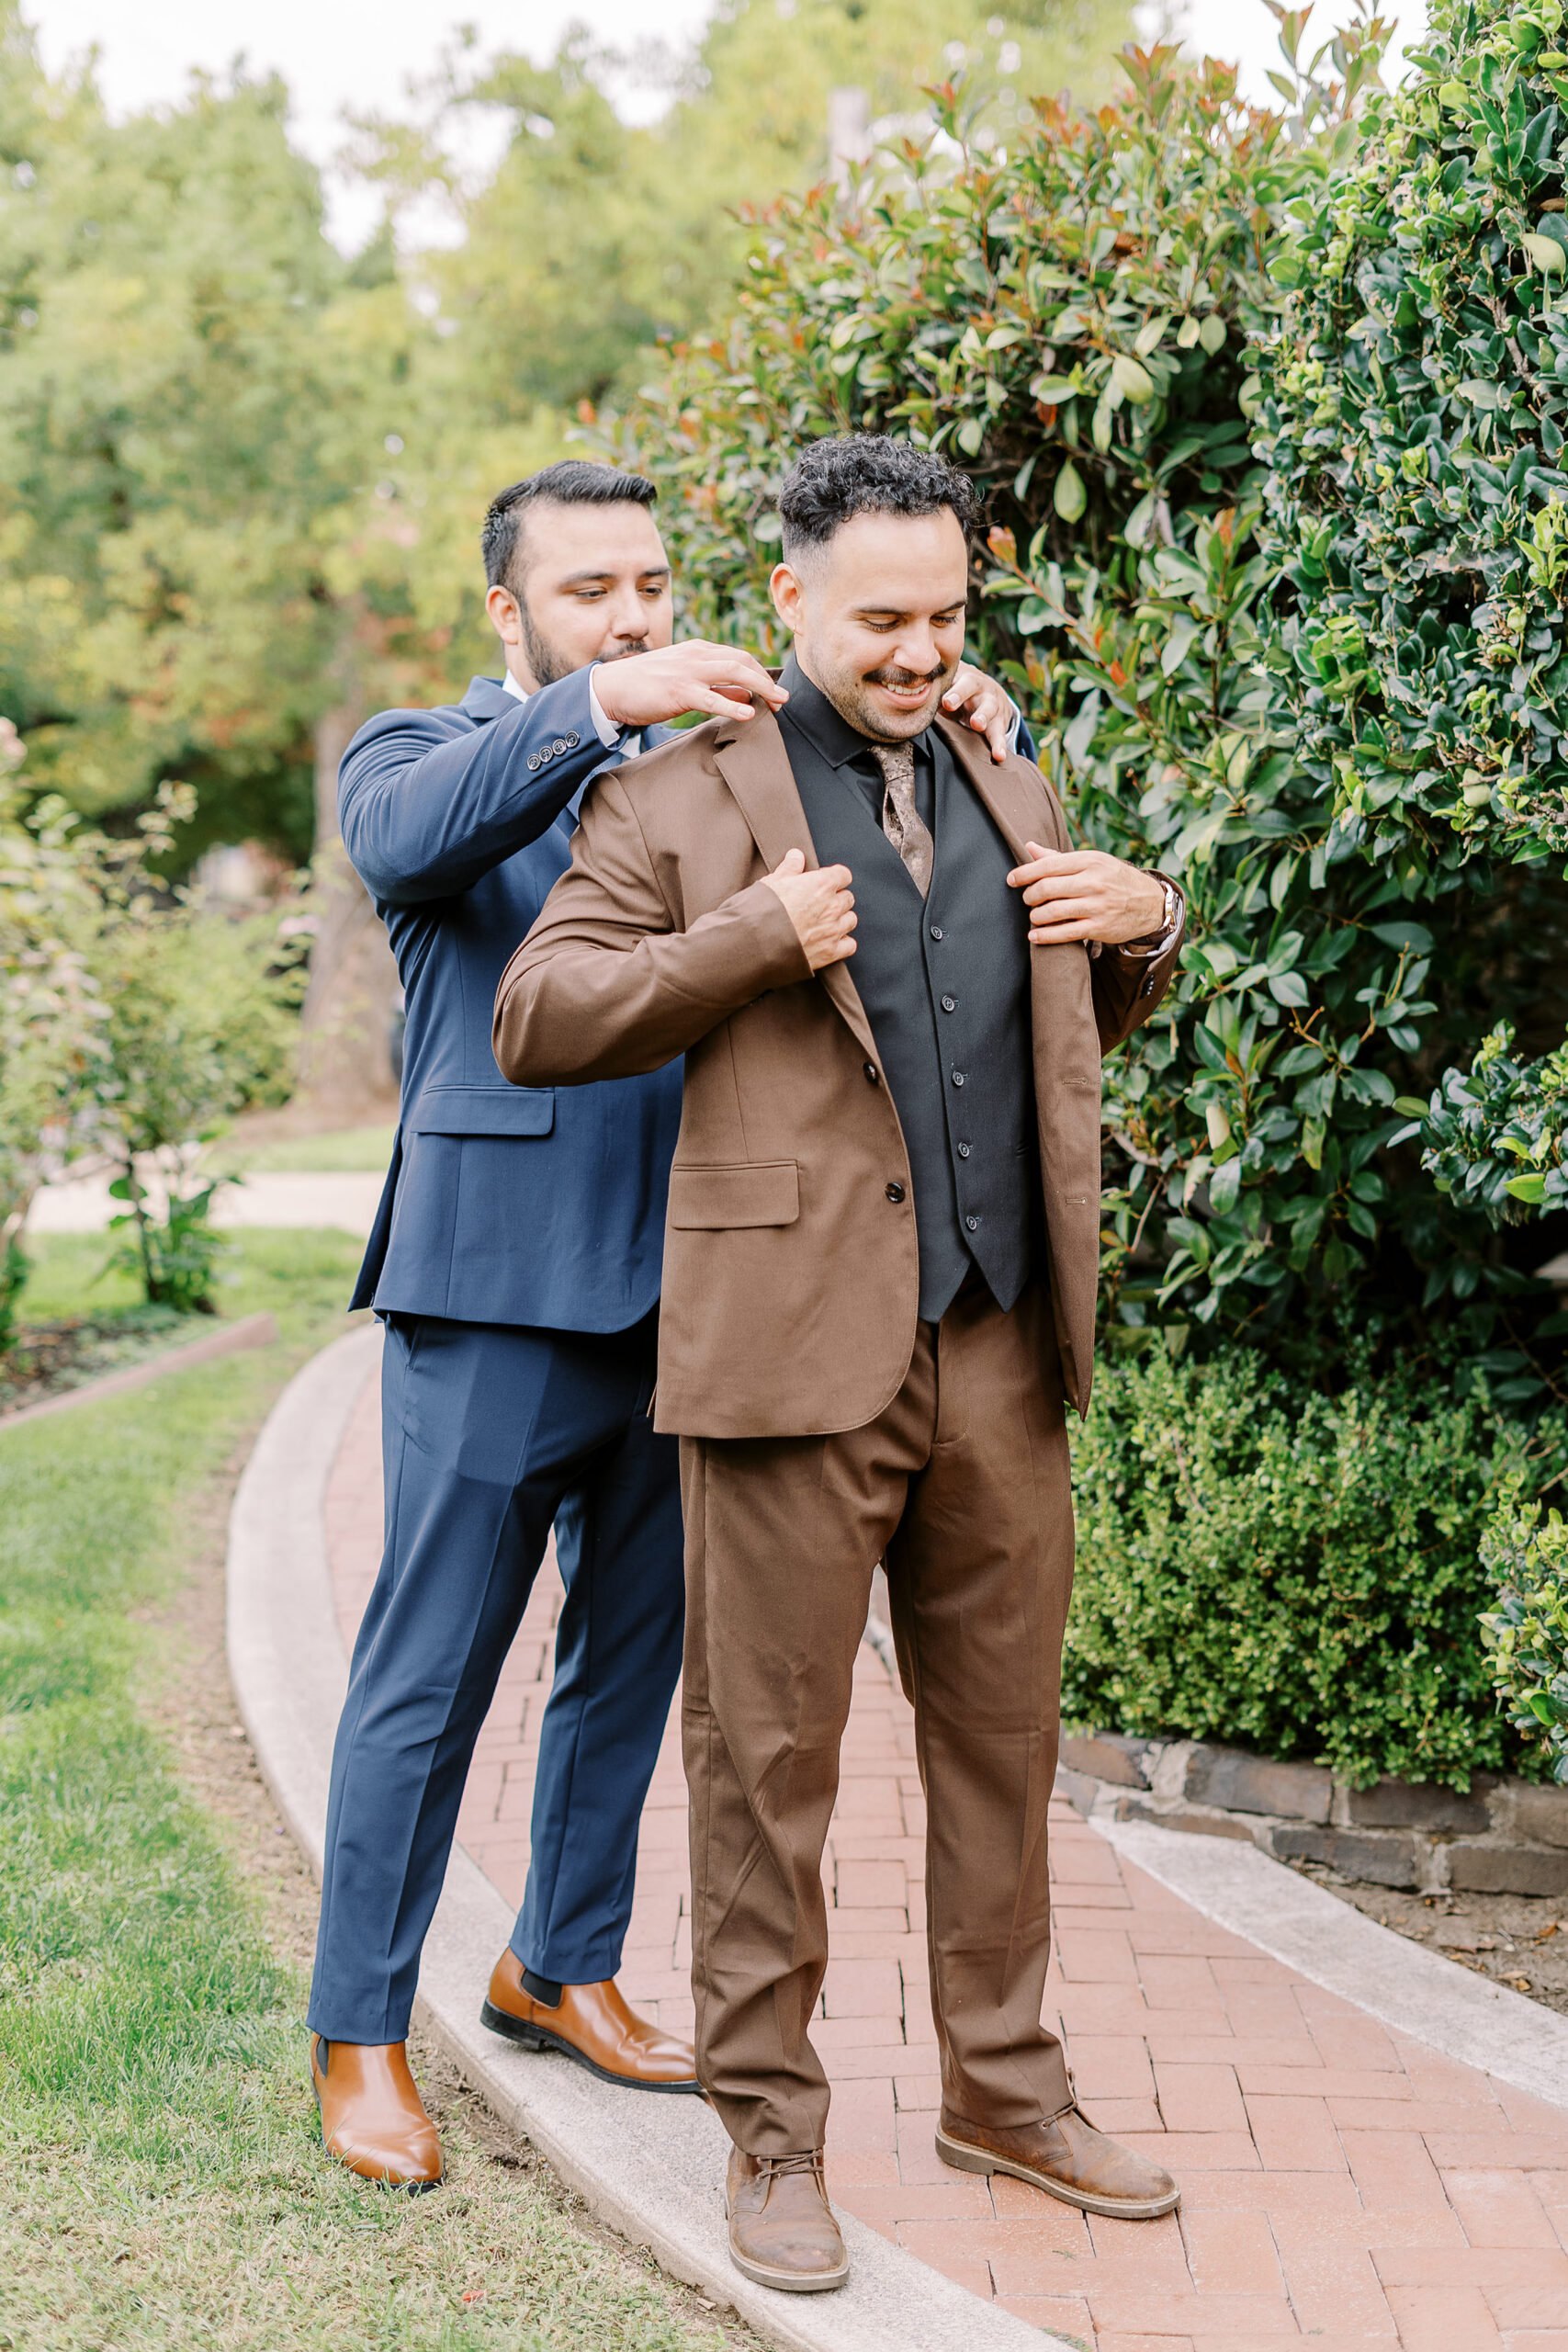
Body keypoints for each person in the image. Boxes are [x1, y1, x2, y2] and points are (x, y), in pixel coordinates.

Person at [492, 435, 1186, 2290]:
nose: (918, 647)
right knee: (761, 1760)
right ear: (787, 597)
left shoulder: (996, 757)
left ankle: (1004, 2085)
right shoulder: (679, 797)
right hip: (790, 1353)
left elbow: (1022, 992)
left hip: (1000, 1346)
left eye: (945, 610)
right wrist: (742, 939)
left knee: (999, 1744)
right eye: (882, 615)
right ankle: (770, 2134)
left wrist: (1146, 931)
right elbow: (536, 1013)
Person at [308, 456, 1030, 2190]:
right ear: (512, 612)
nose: (633, 615)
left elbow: (875, 757)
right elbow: (415, 848)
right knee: (430, 1675)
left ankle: (559, 1966)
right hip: (492, 1296)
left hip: (703, 1310)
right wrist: (594, 706)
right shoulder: (422, 757)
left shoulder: (732, 769)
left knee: (631, 1671)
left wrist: (954, 715)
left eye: (649, 587)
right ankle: (358, 2030)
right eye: (588, 593)